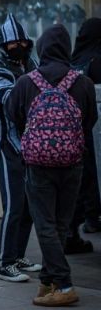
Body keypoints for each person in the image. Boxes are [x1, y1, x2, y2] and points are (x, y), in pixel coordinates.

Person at [7, 25, 97, 307]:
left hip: (38, 164)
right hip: (73, 162)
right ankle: (48, 282)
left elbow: (13, 115)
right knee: (59, 223)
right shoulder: (82, 83)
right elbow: (90, 120)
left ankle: (65, 284)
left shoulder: (26, 82)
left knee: (45, 224)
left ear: (43, 47)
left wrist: (38, 139)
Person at [0, 14, 43, 282]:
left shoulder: (31, 64)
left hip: (30, 144)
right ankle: (5, 262)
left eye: (21, 41)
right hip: (7, 144)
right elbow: (9, 99)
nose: (18, 45)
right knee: (14, 205)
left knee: (29, 205)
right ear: (3, 45)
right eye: (12, 42)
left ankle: (18, 255)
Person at [68, 17, 101, 244]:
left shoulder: (73, 62)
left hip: (72, 129)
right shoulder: (97, 60)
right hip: (91, 127)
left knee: (83, 176)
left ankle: (85, 219)